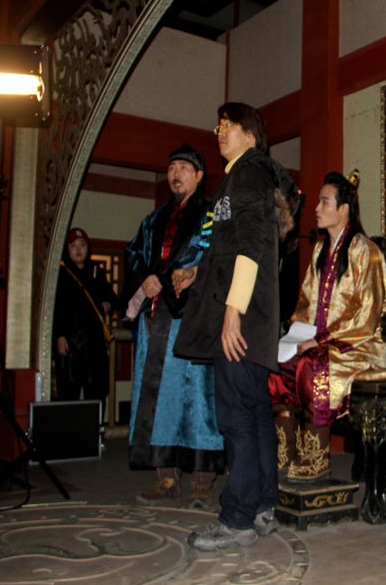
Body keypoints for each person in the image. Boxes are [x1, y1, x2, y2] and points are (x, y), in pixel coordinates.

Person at [173, 102, 297, 551]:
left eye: (229, 125)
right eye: (218, 125)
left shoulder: (247, 173)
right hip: (252, 317)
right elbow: (233, 249)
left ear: (251, 134)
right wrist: (198, 273)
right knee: (255, 412)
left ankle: (237, 519)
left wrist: (232, 310)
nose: (220, 131)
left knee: (236, 418)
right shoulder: (246, 176)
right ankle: (263, 504)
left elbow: (250, 243)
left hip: (242, 319)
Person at [269, 170, 386, 481]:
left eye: (324, 202)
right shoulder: (319, 250)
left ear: (344, 209)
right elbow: (305, 303)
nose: (316, 208)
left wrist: (322, 339)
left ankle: (315, 461)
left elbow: (366, 314)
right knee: (278, 366)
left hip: (359, 346)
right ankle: (284, 454)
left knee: (311, 367)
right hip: (321, 341)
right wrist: (294, 335)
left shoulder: (366, 251)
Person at [124, 144, 225, 509]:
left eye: (183, 168)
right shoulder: (153, 220)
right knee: (157, 398)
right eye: (171, 168)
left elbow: (219, 257)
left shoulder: (212, 215)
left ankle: (201, 481)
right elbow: (133, 254)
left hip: (192, 318)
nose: (176, 174)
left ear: (198, 175)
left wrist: (191, 273)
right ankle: (165, 477)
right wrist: (145, 277)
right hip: (156, 320)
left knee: (198, 399)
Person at [52, 227, 117, 408]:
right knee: (69, 389)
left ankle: (96, 425)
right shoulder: (60, 272)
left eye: (82, 245)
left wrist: (107, 304)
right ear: (67, 249)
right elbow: (56, 307)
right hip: (71, 339)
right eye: (73, 245)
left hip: (94, 339)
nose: (78, 249)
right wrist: (59, 335)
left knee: (97, 388)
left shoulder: (95, 270)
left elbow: (112, 298)